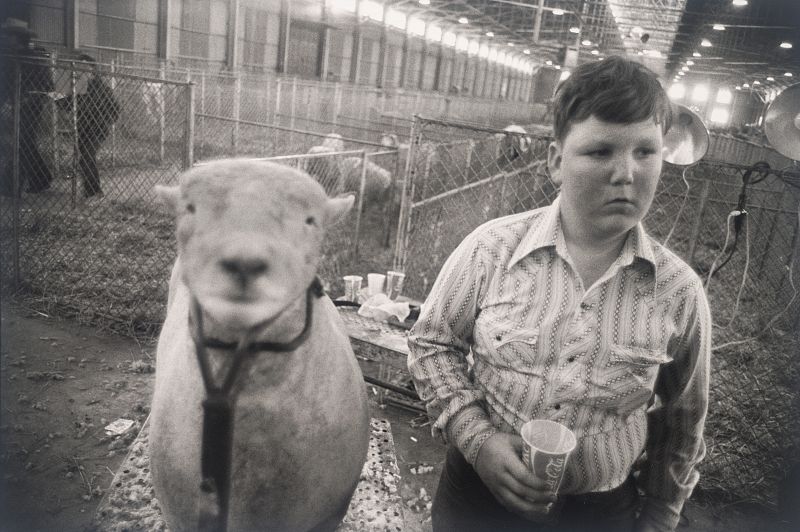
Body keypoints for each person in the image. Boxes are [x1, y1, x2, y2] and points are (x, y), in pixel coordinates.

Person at [407, 55, 711, 532]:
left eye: (645, 152)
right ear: (555, 161)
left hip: (601, 513)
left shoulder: (678, 292)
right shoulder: (492, 249)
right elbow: (432, 344)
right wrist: (478, 438)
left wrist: (659, 517)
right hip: (477, 496)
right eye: (600, 151)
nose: (626, 173)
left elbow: (682, 421)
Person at [0, 17, 55, 195]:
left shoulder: (33, 57)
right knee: (23, 142)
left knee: (22, 141)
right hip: (16, 103)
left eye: (10, 37)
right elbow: (5, 84)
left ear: (18, 39)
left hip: (31, 104)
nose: (7, 40)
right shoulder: (11, 57)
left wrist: (25, 98)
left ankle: (12, 185)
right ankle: (40, 178)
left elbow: (46, 85)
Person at [58, 54, 120, 197]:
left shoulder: (102, 89)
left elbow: (115, 110)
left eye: (85, 68)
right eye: (79, 68)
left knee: (86, 157)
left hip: (98, 129)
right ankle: (90, 190)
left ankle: (94, 191)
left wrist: (105, 121)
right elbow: (66, 105)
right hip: (82, 128)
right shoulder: (76, 88)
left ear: (93, 71)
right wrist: (57, 95)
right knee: (85, 158)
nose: (81, 71)